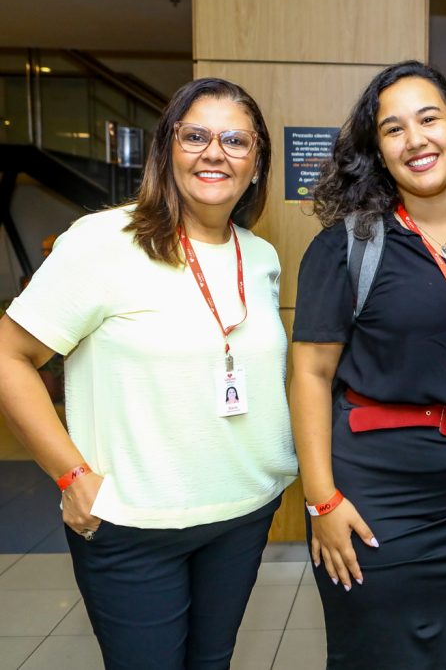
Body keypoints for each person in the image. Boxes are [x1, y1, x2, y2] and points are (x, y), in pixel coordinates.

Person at [0, 78, 296, 670]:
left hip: (241, 515)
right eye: (196, 136)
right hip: (133, 523)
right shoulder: (103, 241)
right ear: (167, 149)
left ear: (258, 161)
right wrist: (72, 475)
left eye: (236, 140)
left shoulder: (258, 255)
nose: (216, 152)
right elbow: (10, 358)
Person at [290, 60, 446, 669]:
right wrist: (322, 502)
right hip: (372, 502)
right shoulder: (346, 247)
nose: (416, 140)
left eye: (429, 119)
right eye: (393, 129)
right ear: (378, 150)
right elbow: (309, 376)